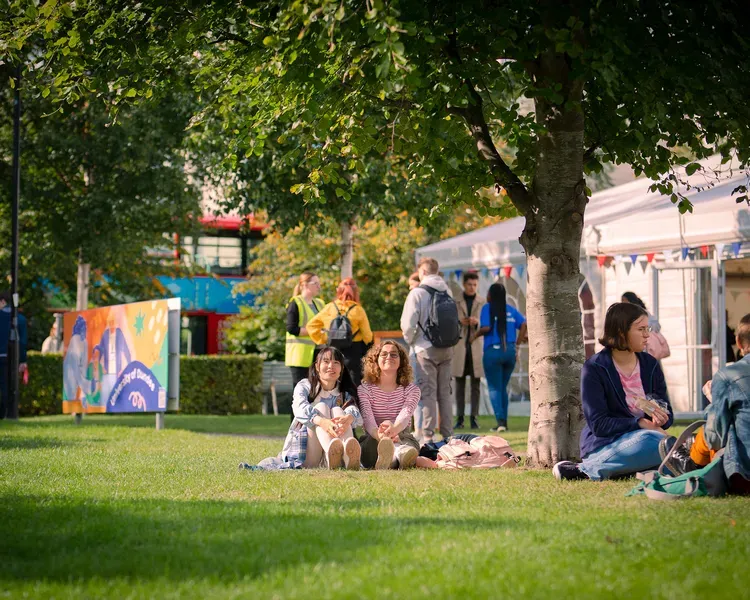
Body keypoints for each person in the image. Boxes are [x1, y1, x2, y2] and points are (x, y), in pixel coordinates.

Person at [553, 302, 675, 481]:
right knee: (653, 441)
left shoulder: (650, 365)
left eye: (647, 328)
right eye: (641, 329)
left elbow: (667, 414)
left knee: (667, 443)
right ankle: (586, 468)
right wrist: (639, 423)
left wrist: (662, 416)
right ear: (621, 332)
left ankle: (623, 470)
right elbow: (599, 425)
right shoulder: (595, 368)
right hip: (607, 445)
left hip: (647, 438)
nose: (647, 335)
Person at [664, 313, 750, 494]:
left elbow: (715, 439)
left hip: (743, 477)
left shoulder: (729, 375)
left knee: (724, 422)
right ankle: (693, 457)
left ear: (739, 342)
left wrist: (715, 401)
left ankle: (692, 464)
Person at [279, 346, 362, 470]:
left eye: (336, 363)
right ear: (317, 366)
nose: (331, 366)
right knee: (321, 407)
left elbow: (356, 414)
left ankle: (347, 459)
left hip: (337, 451)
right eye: (326, 361)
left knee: (338, 411)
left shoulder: (344, 391)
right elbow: (299, 408)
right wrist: (322, 422)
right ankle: (331, 457)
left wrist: (349, 418)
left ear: (341, 369)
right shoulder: (305, 386)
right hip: (310, 456)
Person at [401, 257, 454, 442]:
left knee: (428, 393)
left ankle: (428, 435)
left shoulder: (417, 293)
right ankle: (448, 434)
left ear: (422, 272)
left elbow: (407, 324)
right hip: (447, 348)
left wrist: (411, 341)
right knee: (445, 393)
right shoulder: (448, 291)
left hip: (425, 348)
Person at [471, 283, 527, 432]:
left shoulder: (487, 308)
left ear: (491, 295)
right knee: (502, 387)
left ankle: (501, 422)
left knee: (495, 388)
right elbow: (524, 324)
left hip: (493, 352)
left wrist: (474, 336)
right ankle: (504, 422)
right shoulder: (510, 309)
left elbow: (486, 328)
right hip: (509, 352)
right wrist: (517, 344)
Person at [357, 341, 421, 469]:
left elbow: (405, 414)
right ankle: (395, 458)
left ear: (401, 361)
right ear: (375, 360)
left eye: (394, 355)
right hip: (373, 437)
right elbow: (367, 418)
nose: (389, 357)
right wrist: (380, 436)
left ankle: (395, 457)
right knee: (373, 447)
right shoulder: (364, 389)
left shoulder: (412, 390)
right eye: (384, 354)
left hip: (402, 436)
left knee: (405, 447)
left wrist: (394, 430)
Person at [306, 277, 373, 386]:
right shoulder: (358, 309)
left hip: (333, 350)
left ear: (339, 291)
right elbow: (367, 336)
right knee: (353, 383)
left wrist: (324, 338)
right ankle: (351, 402)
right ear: (356, 293)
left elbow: (311, 325)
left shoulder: (329, 308)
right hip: (353, 352)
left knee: (333, 381)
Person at [452, 271, 485, 430]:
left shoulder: (482, 301)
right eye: (469, 285)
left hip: (476, 346)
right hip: (460, 346)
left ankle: (474, 418)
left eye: (474, 285)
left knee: (475, 385)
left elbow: (486, 324)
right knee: (459, 385)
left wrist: (476, 322)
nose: (472, 287)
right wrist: (460, 322)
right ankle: (459, 418)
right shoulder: (455, 301)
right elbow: (451, 323)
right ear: (464, 284)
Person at [285, 272, 325, 389]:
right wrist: (315, 332)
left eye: (319, 283)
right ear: (305, 285)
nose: (319, 286)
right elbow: (292, 329)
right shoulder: (295, 302)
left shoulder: (320, 303)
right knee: (301, 392)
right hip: (300, 356)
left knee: (317, 390)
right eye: (315, 283)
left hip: (319, 354)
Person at [0, 290, 27, 419]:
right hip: (10, 357)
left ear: (3, 302)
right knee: (8, 385)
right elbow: (22, 341)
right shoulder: (19, 319)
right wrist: (23, 360)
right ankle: (7, 412)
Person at [621, 292, 669, 360]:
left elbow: (656, 326)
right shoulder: (625, 314)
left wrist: (645, 328)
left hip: (646, 346)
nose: (623, 303)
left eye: (624, 300)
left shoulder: (641, 312)